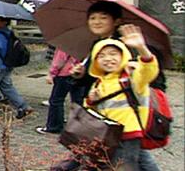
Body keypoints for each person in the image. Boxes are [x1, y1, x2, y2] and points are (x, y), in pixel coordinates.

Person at [84, 25, 159, 170]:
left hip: (127, 135)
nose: (108, 59)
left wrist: (142, 48)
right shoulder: (99, 82)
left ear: (123, 56)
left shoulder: (131, 77)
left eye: (113, 54)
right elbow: (92, 110)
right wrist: (91, 100)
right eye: (101, 55)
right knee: (146, 165)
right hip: (108, 135)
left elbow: (148, 71)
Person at [35, 48, 85, 134]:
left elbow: (59, 60)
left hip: (64, 74)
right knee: (78, 101)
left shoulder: (65, 44)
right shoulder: (85, 44)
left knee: (56, 100)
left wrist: (51, 74)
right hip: (79, 74)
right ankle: (78, 126)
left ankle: (54, 126)